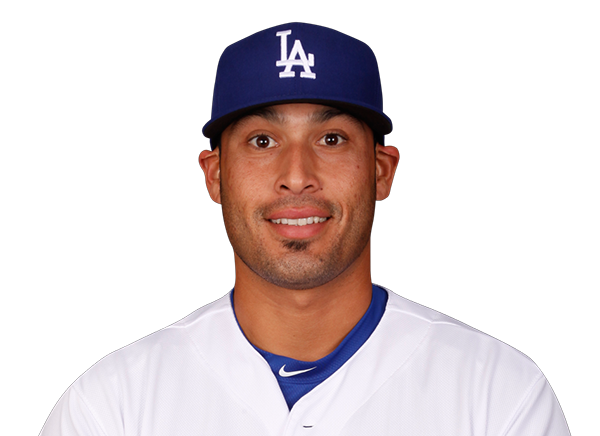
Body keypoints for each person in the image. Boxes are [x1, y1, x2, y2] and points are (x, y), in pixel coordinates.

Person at [41, 22, 570, 435]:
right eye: (263, 142)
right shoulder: (111, 408)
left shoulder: (498, 393)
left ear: (382, 172)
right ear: (215, 175)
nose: (297, 177)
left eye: (332, 139)